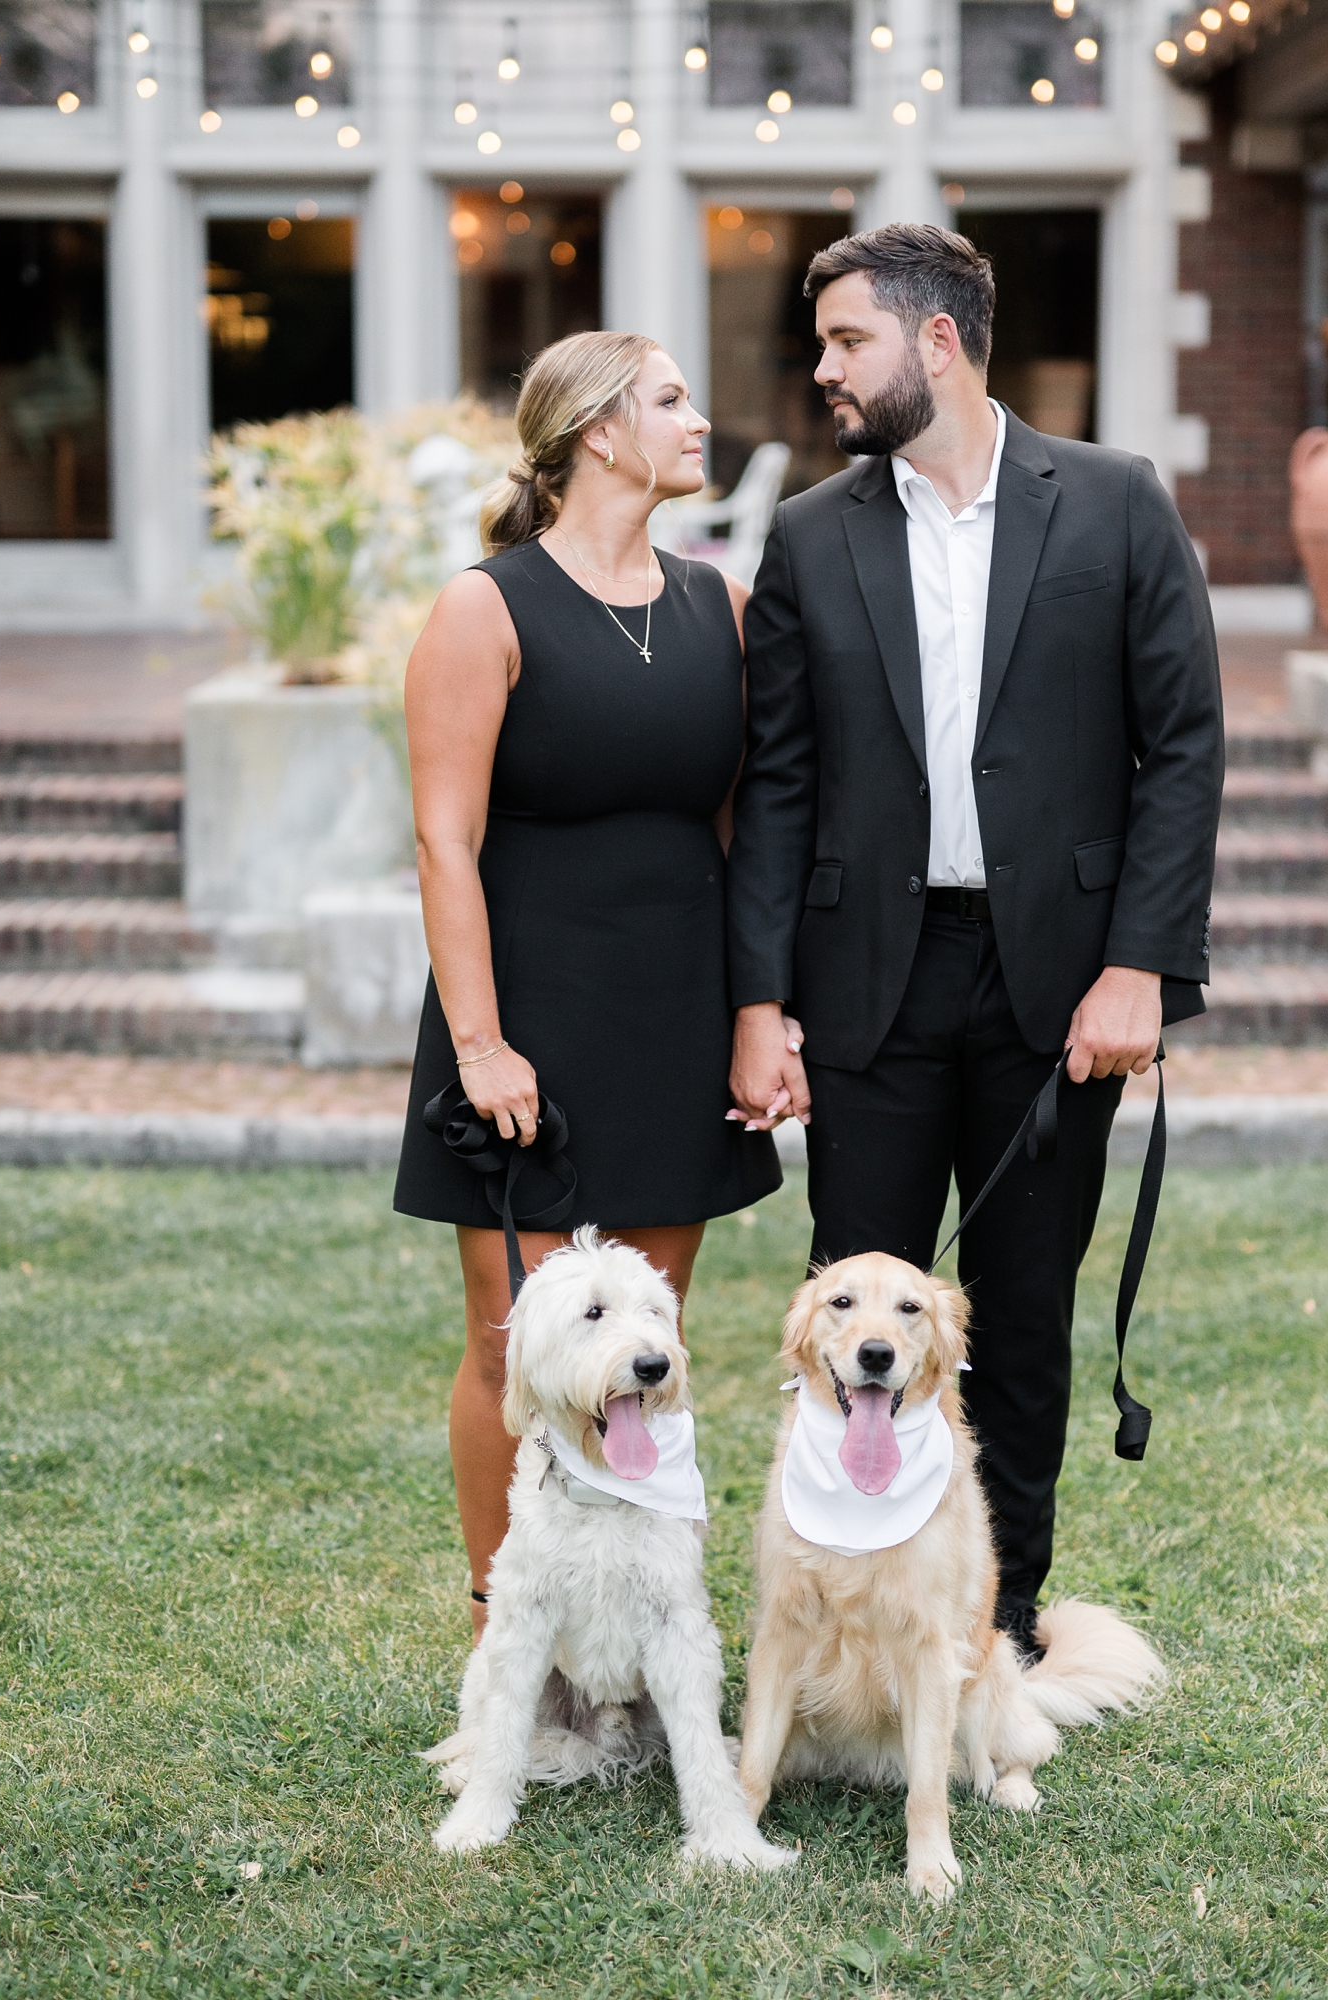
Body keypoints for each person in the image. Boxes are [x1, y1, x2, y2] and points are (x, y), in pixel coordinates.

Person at [725, 224, 1224, 1659]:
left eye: (846, 342)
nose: (822, 370)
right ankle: (852, 1627)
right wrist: (760, 1001)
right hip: (863, 989)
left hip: (1059, 985)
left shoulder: (1119, 504)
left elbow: (1181, 748)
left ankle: (992, 1639)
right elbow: (778, 783)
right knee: (860, 1324)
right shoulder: (814, 533)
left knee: (1014, 1322)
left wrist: (1141, 965)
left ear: (935, 343)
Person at [395, 330, 783, 1635]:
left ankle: (624, 1638)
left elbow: (744, 832)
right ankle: (506, 1634)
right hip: (526, 1027)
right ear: (600, 435)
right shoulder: (483, 609)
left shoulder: (720, 606)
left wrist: (755, 1018)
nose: (698, 420)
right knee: (517, 1343)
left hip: (677, 1023)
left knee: (639, 1359)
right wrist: (480, 1043)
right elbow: (443, 838)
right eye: (673, 400)